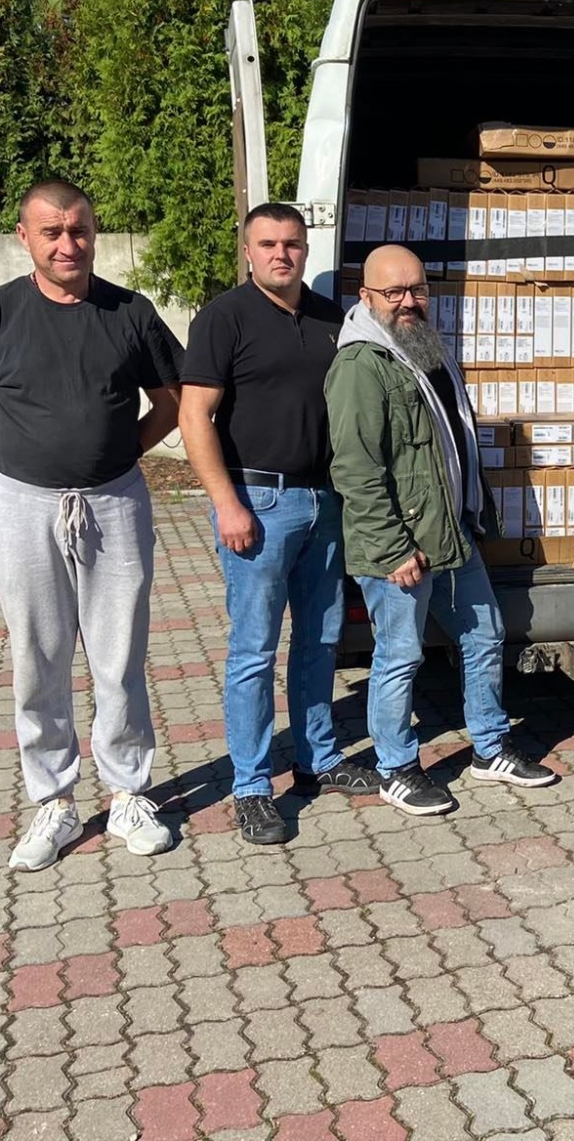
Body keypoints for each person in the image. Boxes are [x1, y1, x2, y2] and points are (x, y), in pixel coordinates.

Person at [0, 179, 183, 872]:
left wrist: (122, 451)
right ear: (26, 238)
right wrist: (20, 460)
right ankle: (53, 802)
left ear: (93, 232)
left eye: (79, 230)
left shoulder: (129, 312)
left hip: (114, 502)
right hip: (24, 506)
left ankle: (129, 793)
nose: (68, 244)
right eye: (52, 233)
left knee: (119, 654)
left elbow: (170, 403)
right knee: (38, 657)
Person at [326, 244, 558, 816]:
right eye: (394, 292)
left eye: (417, 290)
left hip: (450, 533)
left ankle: (489, 747)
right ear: (367, 297)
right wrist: (390, 547)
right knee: (400, 655)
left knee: (484, 636)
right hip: (399, 546)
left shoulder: (424, 348)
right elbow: (356, 469)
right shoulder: (361, 365)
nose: (408, 302)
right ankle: (397, 768)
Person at [180, 203, 374, 846]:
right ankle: (252, 787)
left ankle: (318, 760)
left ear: (305, 248)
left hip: (326, 503)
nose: (281, 254)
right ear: (248, 250)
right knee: (254, 652)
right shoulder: (223, 318)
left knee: (320, 643)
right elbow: (193, 417)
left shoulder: (331, 318)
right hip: (259, 504)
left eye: (291, 243)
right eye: (267, 244)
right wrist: (226, 503)